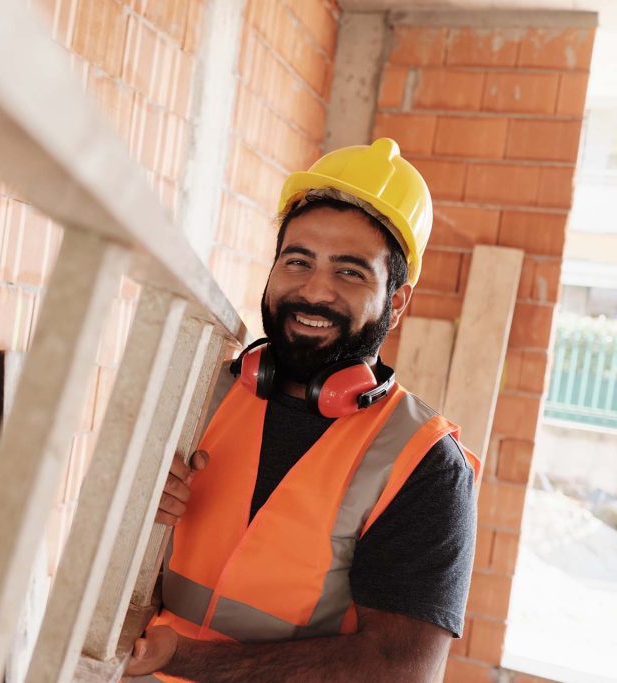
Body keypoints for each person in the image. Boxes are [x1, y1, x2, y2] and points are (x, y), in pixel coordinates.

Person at [125, 138, 482, 682]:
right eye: (298, 262)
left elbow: (397, 671)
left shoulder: (424, 465)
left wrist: (186, 658)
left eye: (350, 272)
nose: (314, 291)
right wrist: (132, 512)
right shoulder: (200, 393)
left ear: (398, 300)